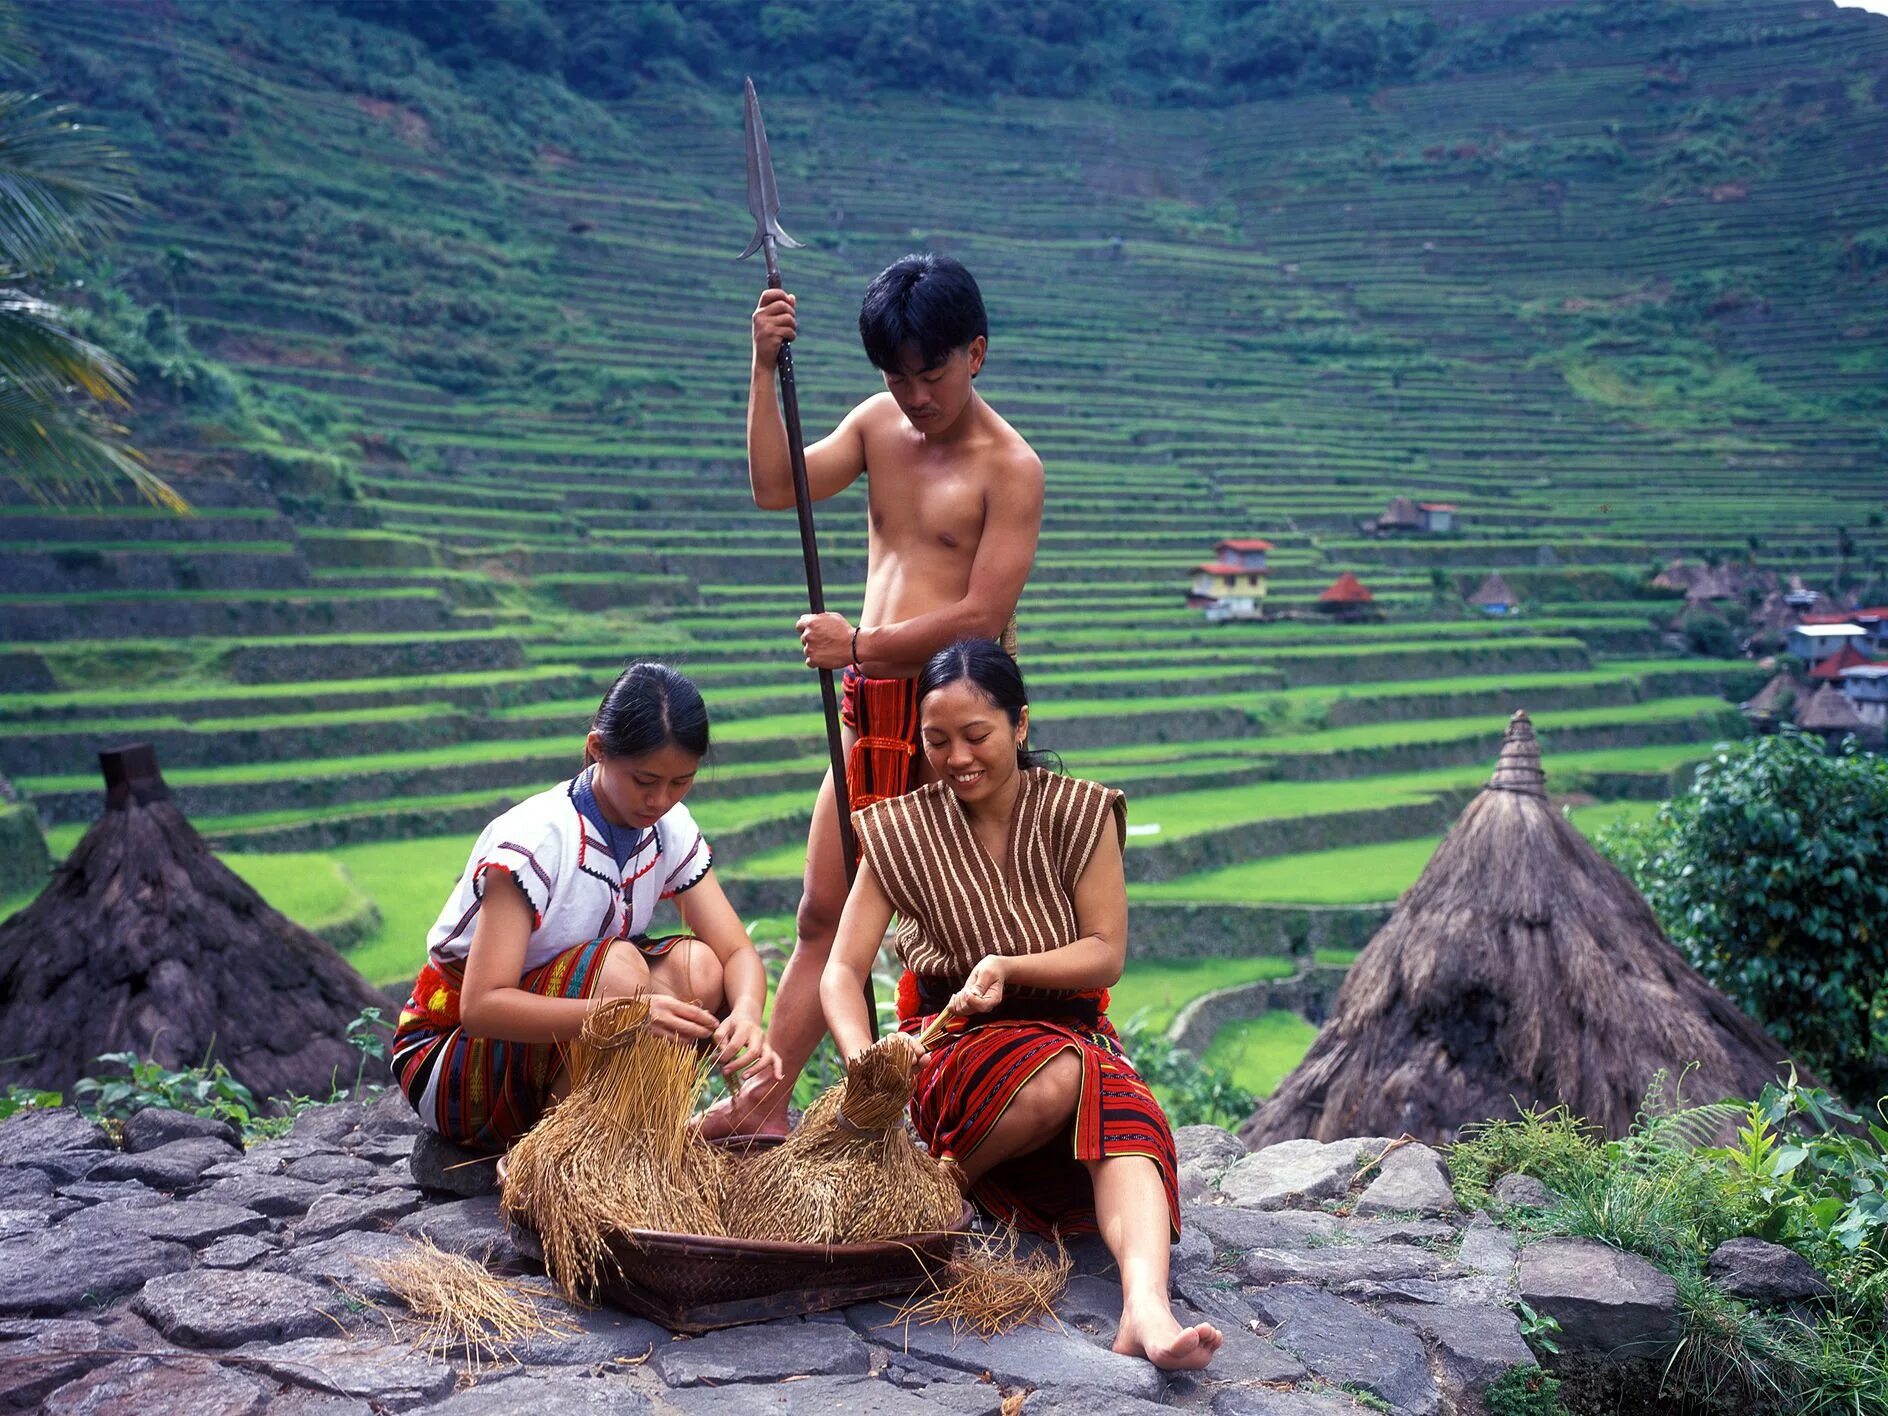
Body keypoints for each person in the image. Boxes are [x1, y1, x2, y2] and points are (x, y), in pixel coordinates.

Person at [704, 253, 1043, 1138]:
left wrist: (860, 644)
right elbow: (777, 488)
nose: (915, 394)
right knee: (822, 913)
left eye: (931, 373)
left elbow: (981, 614)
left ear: (976, 353)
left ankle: (939, 1118)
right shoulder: (876, 425)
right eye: (896, 376)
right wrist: (761, 366)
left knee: (945, 936)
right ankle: (764, 1105)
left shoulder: (1010, 468)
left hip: (950, 731)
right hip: (863, 719)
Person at [819, 639, 1222, 1373]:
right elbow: (841, 970)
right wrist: (866, 1062)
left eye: (977, 736)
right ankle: (943, 1182)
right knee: (1071, 1076)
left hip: (1071, 1029)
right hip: (954, 1046)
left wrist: (1010, 966)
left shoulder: (1080, 812)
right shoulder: (901, 830)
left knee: (1121, 1107)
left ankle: (1146, 1308)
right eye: (936, 741)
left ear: (1020, 725)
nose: (957, 757)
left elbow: (1105, 951)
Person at [391, 662, 781, 1151]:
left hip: (556, 1046)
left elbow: (736, 952)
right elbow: (481, 1006)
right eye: (644, 780)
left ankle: (622, 1140)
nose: (660, 799)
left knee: (697, 967)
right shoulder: (536, 840)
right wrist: (625, 1014)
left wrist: (746, 1013)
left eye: (681, 782)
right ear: (596, 749)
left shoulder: (669, 826)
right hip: (453, 1061)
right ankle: (571, 1153)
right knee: (620, 970)